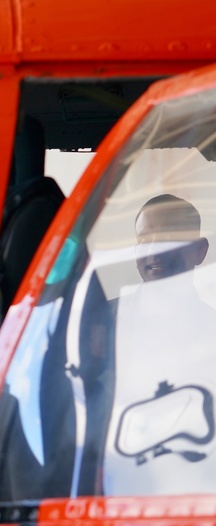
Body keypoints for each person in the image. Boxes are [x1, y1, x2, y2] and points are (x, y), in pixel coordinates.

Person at [103, 194, 216, 496]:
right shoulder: (102, 323)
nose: (154, 251)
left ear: (200, 250)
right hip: (117, 493)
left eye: (168, 238)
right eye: (145, 240)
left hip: (197, 495)